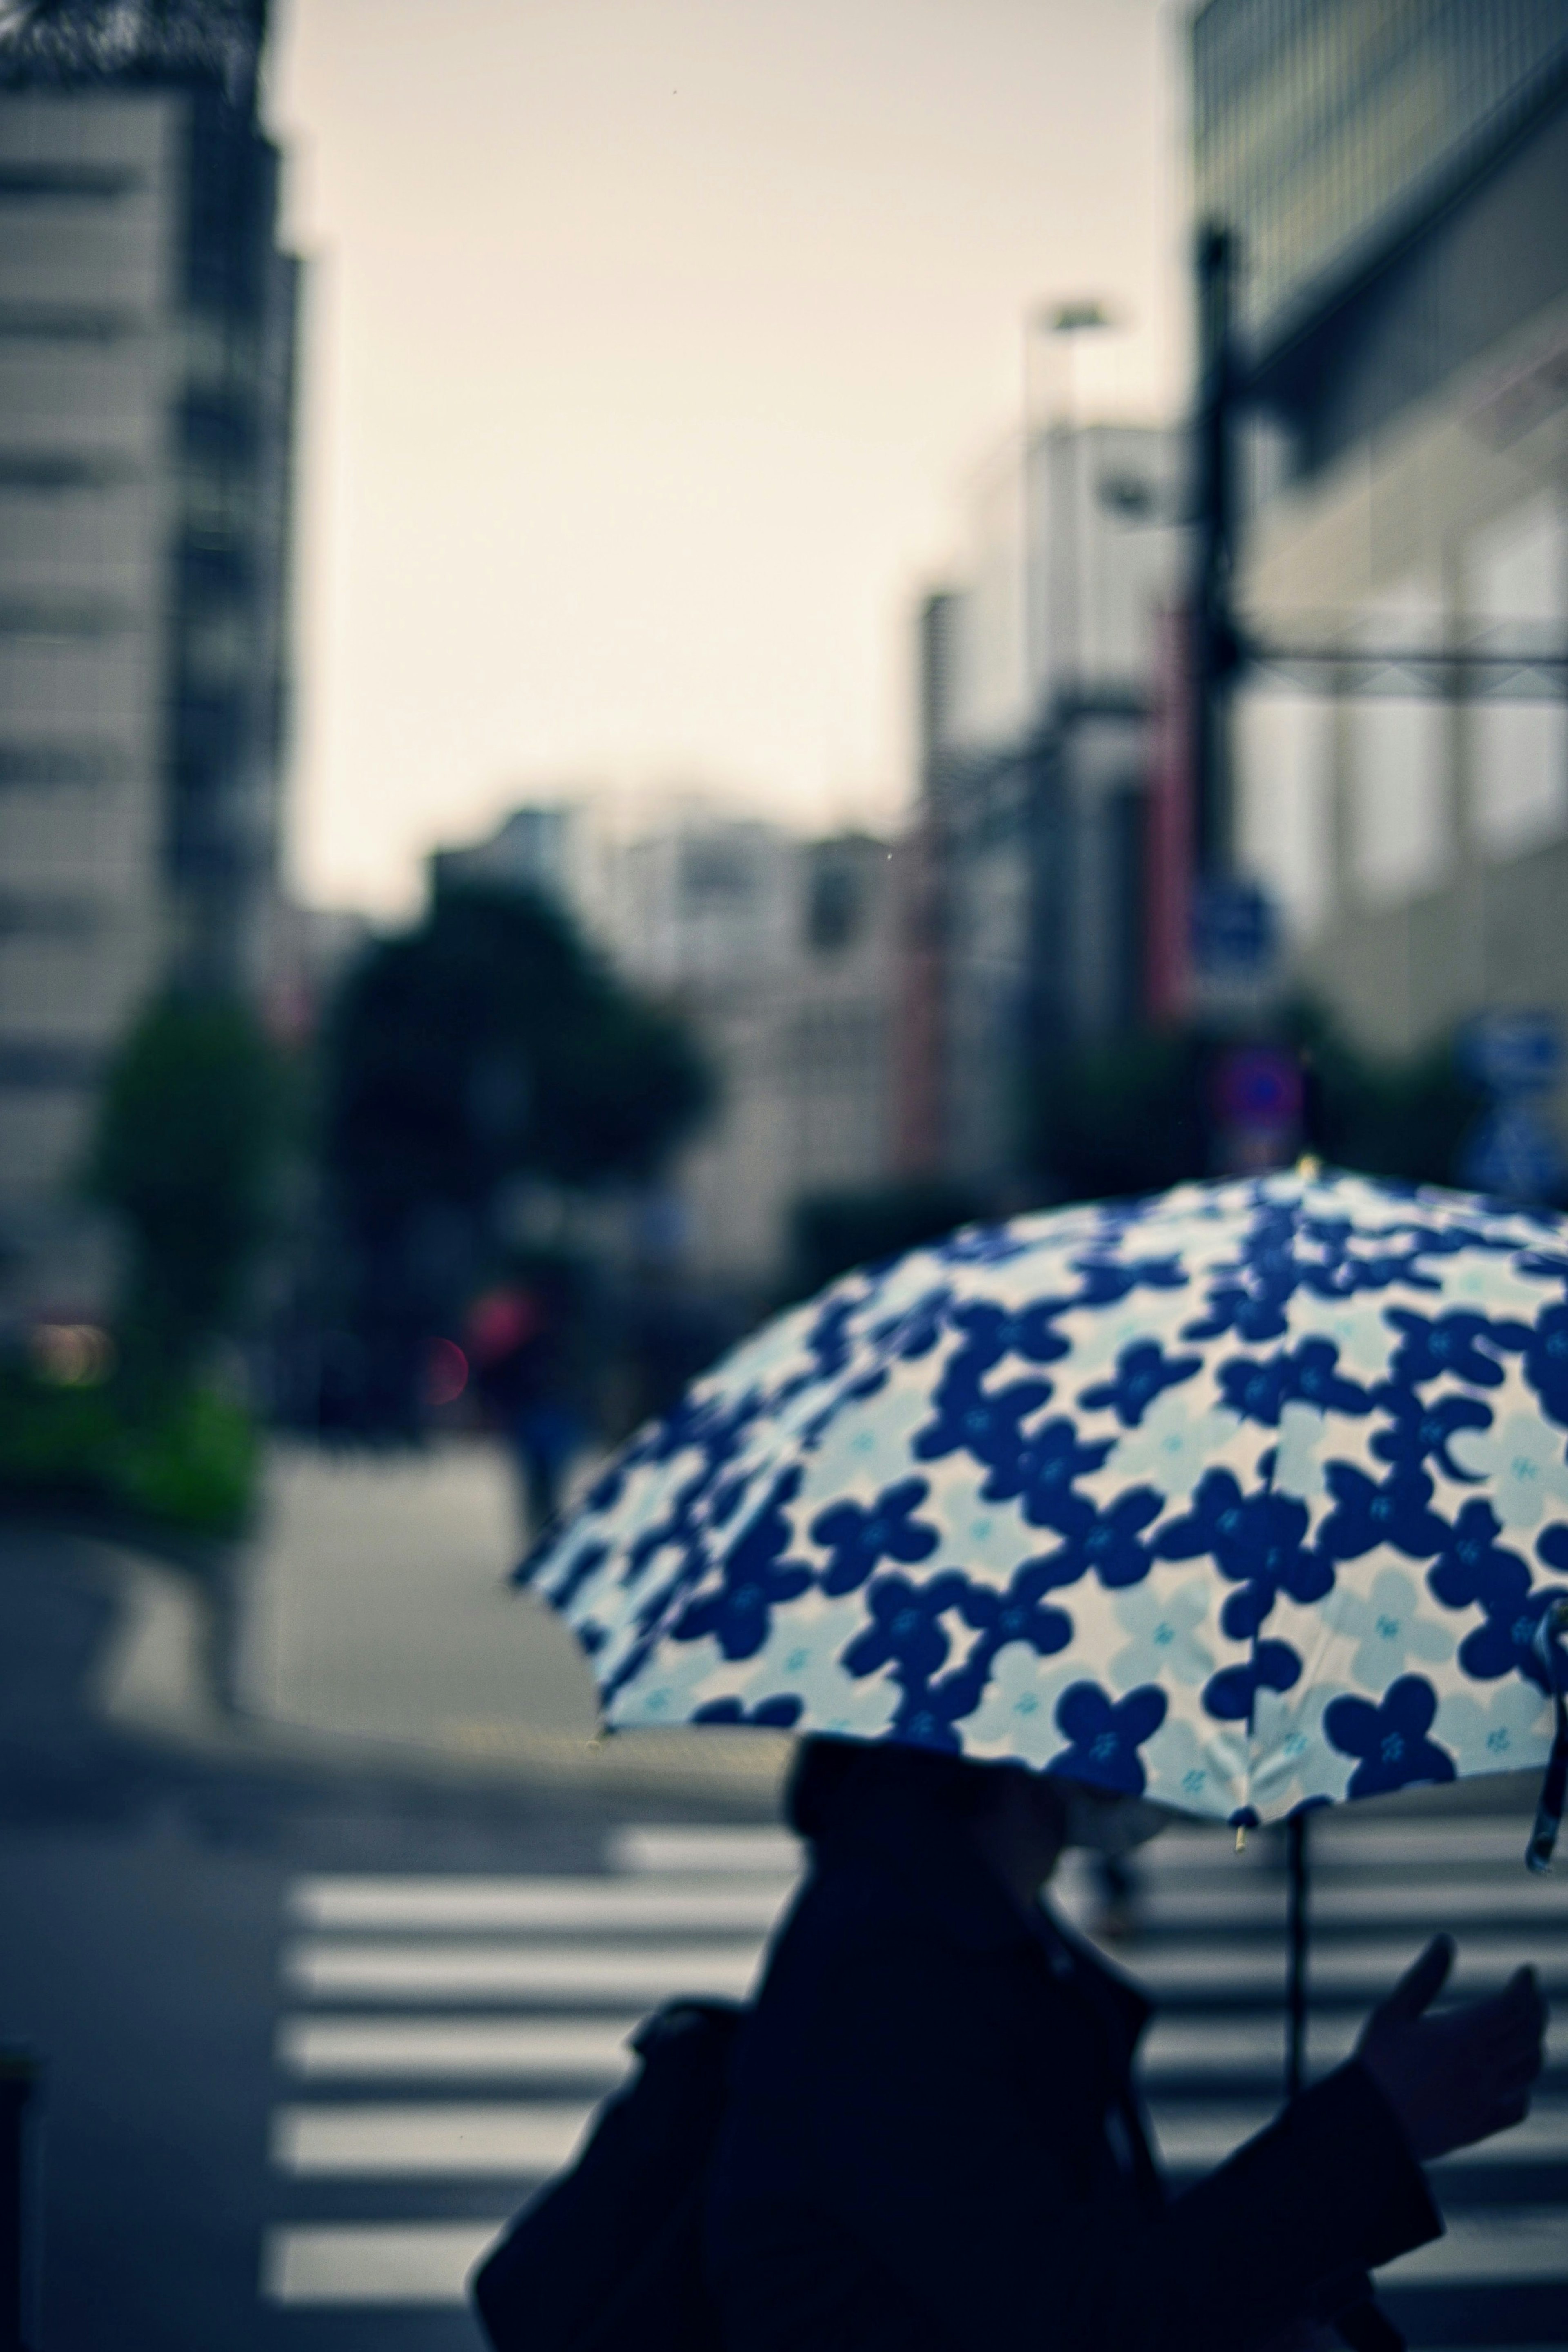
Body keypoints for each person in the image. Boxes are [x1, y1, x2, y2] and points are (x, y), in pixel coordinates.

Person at [704, 1738, 1547, 2352]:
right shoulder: (893, 1974)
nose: (1164, 1733)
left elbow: (1080, 2269)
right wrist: (1378, 2124)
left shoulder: (968, 1918)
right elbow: (1080, 2322)